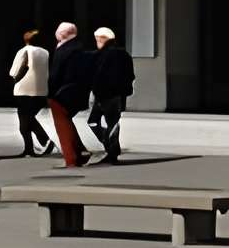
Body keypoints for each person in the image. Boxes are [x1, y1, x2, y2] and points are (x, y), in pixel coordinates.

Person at [45, 21, 94, 167]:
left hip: (61, 93)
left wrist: (49, 92)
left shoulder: (63, 50)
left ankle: (71, 158)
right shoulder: (80, 48)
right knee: (68, 121)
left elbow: (55, 74)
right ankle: (80, 151)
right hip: (77, 92)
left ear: (62, 34)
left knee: (62, 126)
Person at [86, 24, 134, 165]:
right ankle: (111, 148)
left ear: (103, 39)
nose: (96, 42)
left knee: (99, 122)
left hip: (105, 94)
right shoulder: (124, 54)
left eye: (98, 39)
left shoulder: (102, 55)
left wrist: (95, 90)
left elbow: (97, 75)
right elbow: (130, 75)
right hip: (117, 95)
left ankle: (111, 151)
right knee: (111, 123)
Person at [7, 27, 55, 156]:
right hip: (41, 91)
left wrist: (14, 78)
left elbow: (14, 71)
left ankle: (37, 144)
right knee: (29, 118)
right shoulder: (45, 53)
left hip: (23, 89)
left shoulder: (24, 51)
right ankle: (37, 145)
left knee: (24, 121)